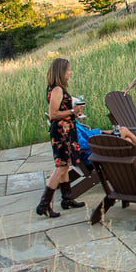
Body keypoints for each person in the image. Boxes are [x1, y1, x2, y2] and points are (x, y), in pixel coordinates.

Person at [36, 57, 87, 218]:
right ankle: (43, 205)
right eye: (68, 70)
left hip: (66, 130)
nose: (70, 73)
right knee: (60, 168)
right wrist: (73, 112)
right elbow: (53, 114)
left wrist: (74, 114)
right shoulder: (57, 90)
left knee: (65, 166)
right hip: (61, 133)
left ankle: (67, 199)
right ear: (61, 71)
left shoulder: (54, 88)